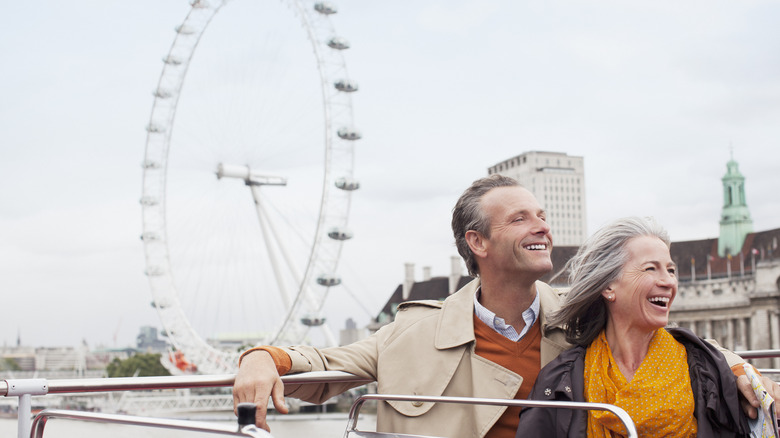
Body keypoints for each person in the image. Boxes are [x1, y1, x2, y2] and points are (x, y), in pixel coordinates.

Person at [233, 176, 775, 437]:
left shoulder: (579, 314)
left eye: (541, 214)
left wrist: (746, 373)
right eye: (520, 218)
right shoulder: (412, 332)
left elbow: (677, 348)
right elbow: (328, 366)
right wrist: (262, 358)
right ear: (478, 243)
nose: (542, 226)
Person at [516, 217, 751, 437]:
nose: (668, 281)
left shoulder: (705, 368)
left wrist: (747, 374)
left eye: (670, 270)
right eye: (651, 269)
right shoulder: (561, 378)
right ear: (608, 287)